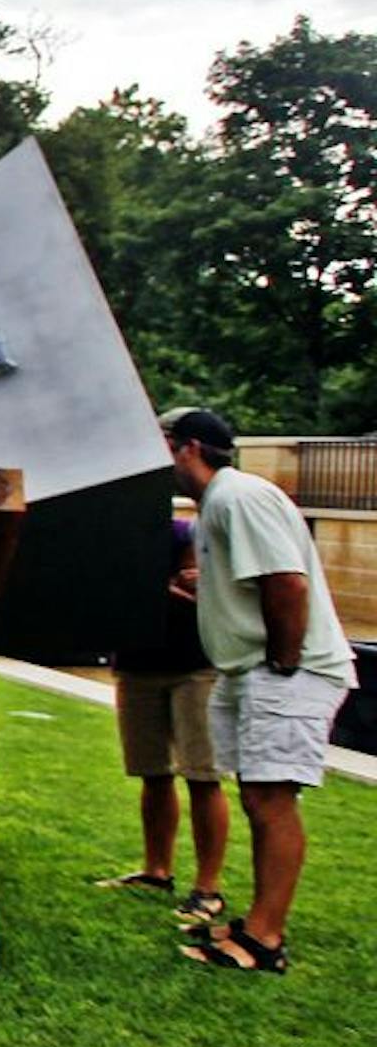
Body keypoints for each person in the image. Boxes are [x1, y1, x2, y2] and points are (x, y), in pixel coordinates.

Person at [163, 408, 357, 975]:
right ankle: (254, 922)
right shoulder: (216, 507)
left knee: (272, 802)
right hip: (251, 671)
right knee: (257, 797)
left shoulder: (236, 497)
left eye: (161, 443)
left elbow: (286, 583)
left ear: (187, 448)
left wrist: (283, 662)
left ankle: (265, 940)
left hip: (283, 674)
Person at [94, 516, 231, 923]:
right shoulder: (110, 539)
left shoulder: (188, 533)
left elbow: (209, 591)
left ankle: (208, 889)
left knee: (202, 776)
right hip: (137, 664)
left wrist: (189, 584)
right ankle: (157, 871)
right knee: (152, 772)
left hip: (194, 665)